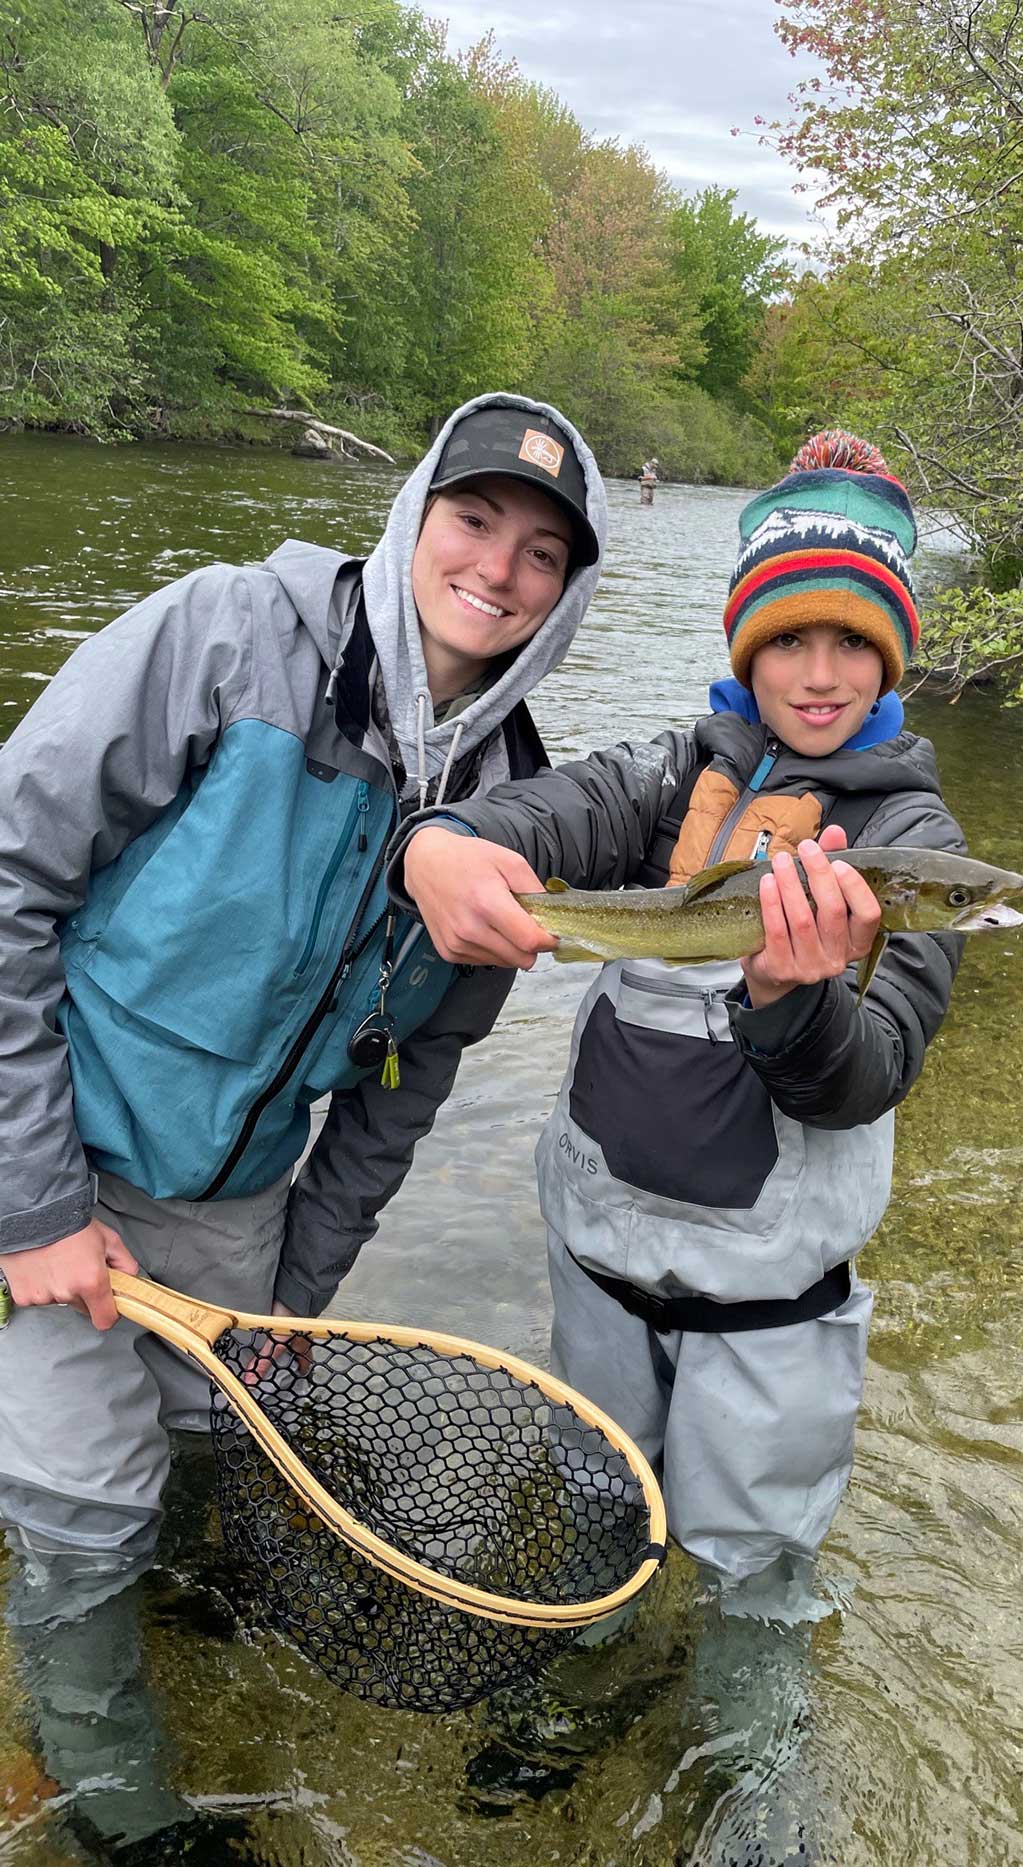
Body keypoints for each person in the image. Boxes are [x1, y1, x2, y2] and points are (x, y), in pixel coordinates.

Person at [0, 392, 606, 1856]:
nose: (497, 569)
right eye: (473, 521)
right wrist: (32, 1209)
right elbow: (8, 878)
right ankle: (116, 1808)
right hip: (52, 1124)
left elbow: (402, 1102)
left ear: (570, 592)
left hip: (237, 1202)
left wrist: (291, 1296)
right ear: (413, 515)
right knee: (88, 1499)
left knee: (219, 1443)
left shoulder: (514, 805)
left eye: (540, 551)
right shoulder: (224, 634)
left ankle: (171, 1590)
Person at [395, 429, 963, 1609]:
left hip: (769, 1313)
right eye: (788, 640)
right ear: (745, 655)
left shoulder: (915, 848)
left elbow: (868, 1073)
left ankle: (745, 1762)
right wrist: (450, 842)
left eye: (850, 643)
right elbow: (555, 811)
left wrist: (791, 998)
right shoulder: (674, 775)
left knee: (750, 1573)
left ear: (891, 658)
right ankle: (577, 1680)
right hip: (598, 1264)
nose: (817, 672)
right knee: (596, 1507)